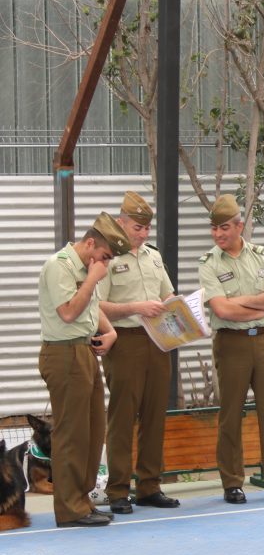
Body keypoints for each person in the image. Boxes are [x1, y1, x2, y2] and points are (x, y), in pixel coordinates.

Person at [198, 194, 264, 504]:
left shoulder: (262, 256)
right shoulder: (209, 263)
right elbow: (222, 310)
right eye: (214, 229)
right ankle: (233, 482)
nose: (218, 234)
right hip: (231, 344)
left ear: (239, 226)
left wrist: (243, 303)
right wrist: (261, 304)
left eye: (225, 228)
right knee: (230, 415)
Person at [38, 212, 130, 527]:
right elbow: (67, 312)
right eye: (103, 256)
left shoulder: (86, 268)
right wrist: (91, 279)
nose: (104, 264)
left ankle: (82, 499)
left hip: (84, 350)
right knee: (71, 434)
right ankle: (69, 509)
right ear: (90, 243)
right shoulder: (60, 266)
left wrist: (111, 331)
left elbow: (91, 308)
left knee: (92, 431)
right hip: (64, 354)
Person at [98, 192, 180, 515]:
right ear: (121, 223)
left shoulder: (153, 257)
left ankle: (149, 485)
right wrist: (136, 308)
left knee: (155, 414)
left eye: (147, 228)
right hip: (126, 341)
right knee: (122, 416)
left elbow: (167, 294)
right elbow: (98, 305)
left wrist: (182, 313)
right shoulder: (109, 258)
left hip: (157, 341)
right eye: (137, 227)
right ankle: (118, 489)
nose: (143, 234)